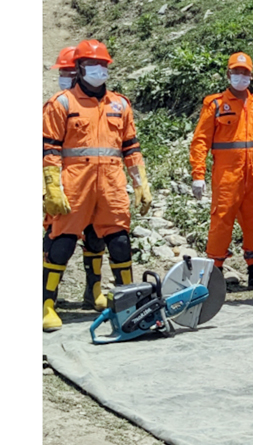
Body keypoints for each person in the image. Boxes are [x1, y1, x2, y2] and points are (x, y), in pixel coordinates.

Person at [42, 39, 153, 332]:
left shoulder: (120, 104)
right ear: (79, 68)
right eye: (92, 64)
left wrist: (141, 184)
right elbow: (50, 150)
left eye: (103, 64)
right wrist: (52, 188)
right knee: (62, 243)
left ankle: (129, 302)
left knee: (118, 242)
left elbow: (131, 148)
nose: (99, 69)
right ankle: (46, 305)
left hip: (112, 184)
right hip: (76, 183)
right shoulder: (62, 103)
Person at [190, 52, 253, 290]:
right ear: (228, 74)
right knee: (221, 223)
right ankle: (215, 273)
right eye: (236, 72)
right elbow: (201, 140)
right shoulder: (214, 104)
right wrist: (198, 175)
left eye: (245, 72)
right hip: (226, 176)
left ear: (251, 76)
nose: (241, 76)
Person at [43, 46, 109, 312]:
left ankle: (93, 292)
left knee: (95, 237)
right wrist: (50, 187)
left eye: (71, 71)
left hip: (86, 184)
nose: (67, 76)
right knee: (55, 240)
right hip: (57, 183)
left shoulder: (88, 104)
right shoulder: (56, 105)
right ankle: (47, 300)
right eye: (64, 72)